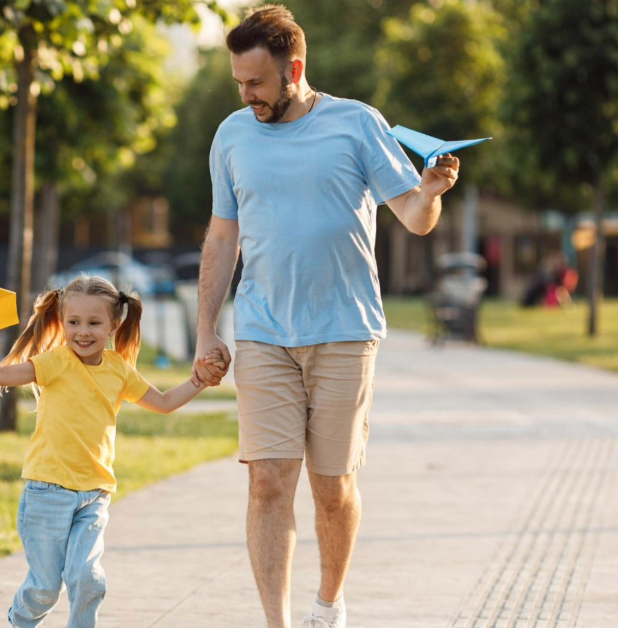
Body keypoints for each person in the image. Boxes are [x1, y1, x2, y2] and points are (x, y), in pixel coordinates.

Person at [192, 6, 463, 628]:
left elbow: (414, 218)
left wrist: (431, 193)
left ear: (295, 69)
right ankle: (277, 622)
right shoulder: (232, 135)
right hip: (263, 332)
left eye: (257, 83)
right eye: (239, 82)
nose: (246, 95)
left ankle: (328, 603)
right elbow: (221, 237)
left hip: (345, 330)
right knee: (267, 482)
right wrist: (208, 328)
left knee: (333, 488)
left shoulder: (357, 124)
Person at [0, 276, 224, 628]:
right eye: (73, 322)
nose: (83, 331)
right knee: (45, 589)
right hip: (46, 494)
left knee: (88, 579)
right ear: (62, 321)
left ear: (113, 325)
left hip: (94, 495)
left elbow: (165, 402)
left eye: (94, 323)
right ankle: (19, 622)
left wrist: (199, 380)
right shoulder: (54, 362)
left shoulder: (119, 370)